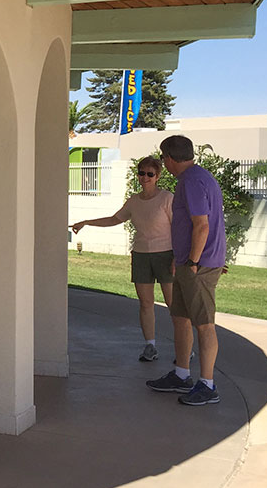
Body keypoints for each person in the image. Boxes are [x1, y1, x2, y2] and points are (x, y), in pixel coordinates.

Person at [146, 135, 227, 407]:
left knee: (204, 324)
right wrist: (181, 260)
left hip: (197, 266)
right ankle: (182, 374)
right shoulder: (197, 178)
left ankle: (207, 384)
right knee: (180, 317)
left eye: (163, 159)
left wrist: (193, 262)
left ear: (169, 158)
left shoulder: (192, 181)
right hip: (187, 262)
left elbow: (201, 225)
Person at [70, 156, 174, 361]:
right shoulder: (134, 201)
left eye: (150, 174)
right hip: (141, 255)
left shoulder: (167, 198)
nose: (145, 178)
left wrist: (178, 257)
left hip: (166, 254)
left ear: (158, 176)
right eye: (141, 173)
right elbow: (115, 219)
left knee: (173, 304)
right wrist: (86, 222)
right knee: (146, 303)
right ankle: (150, 346)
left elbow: (179, 227)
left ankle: (185, 348)